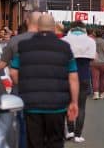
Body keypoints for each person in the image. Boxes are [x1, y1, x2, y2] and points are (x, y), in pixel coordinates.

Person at [10, 14, 79, 148]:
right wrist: (74, 102)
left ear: (37, 27)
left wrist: (25, 87)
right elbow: (73, 77)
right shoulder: (64, 48)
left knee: (34, 143)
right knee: (56, 141)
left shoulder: (24, 46)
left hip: (32, 105)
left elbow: (13, 72)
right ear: (54, 27)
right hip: (57, 106)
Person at [0, 11, 41, 148]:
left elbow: (1, 65)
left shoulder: (15, 41)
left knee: (22, 128)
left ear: (27, 21)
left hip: (20, 91)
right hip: (43, 93)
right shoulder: (49, 41)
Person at [62, 21, 96, 143]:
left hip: (67, 76)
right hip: (83, 75)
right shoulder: (90, 41)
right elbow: (92, 58)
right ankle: (78, 134)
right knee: (81, 106)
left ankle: (70, 131)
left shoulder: (64, 40)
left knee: (68, 103)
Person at [90, 29, 104, 100]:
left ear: (95, 34)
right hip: (103, 61)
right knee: (102, 78)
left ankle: (96, 93)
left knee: (95, 78)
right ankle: (102, 92)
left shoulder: (92, 42)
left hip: (94, 62)